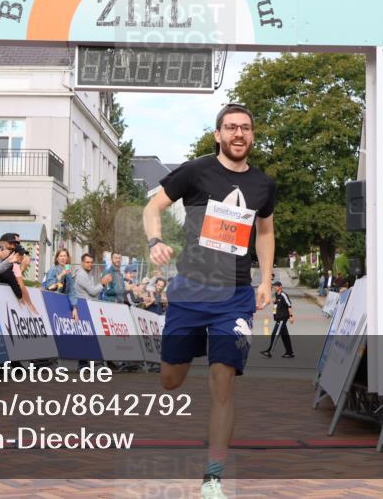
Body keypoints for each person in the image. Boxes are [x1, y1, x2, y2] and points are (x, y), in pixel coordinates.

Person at [143, 103, 276, 499]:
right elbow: (153, 207)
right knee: (171, 380)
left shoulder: (263, 185)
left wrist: (265, 279)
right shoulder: (195, 171)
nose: (239, 134)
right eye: (231, 128)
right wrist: (155, 241)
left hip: (234, 296)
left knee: (223, 381)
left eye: (246, 128)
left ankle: (213, 477)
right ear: (218, 134)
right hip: (190, 290)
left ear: (252, 136)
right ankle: (193, 343)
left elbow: (265, 233)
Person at [261, 280, 294, 358]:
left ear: (280, 287)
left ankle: (269, 351)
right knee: (285, 336)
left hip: (282, 319)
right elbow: (277, 302)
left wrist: (291, 316)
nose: (274, 287)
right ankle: (289, 352)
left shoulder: (283, 295)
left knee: (274, 334)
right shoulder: (277, 294)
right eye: (274, 286)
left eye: (276, 286)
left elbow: (289, 305)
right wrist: (273, 301)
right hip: (279, 318)